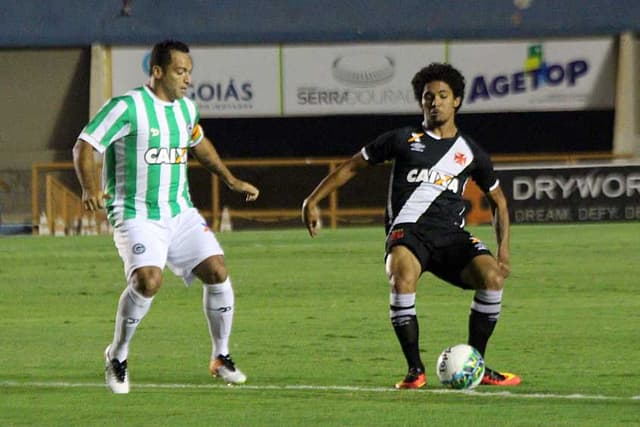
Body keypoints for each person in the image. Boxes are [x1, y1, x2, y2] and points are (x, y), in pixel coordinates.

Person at [302, 62, 521, 389]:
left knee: (491, 278)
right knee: (401, 276)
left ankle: (477, 364)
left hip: (451, 237)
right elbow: (352, 166)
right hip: (408, 233)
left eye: (442, 96)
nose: (434, 102)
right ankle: (414, 370)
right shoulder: (403, 139)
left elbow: (499, 202)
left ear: (456, 101)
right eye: (427, 97)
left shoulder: (470, 152)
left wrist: (503, 252)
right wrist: (313, 200)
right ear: (421, 102)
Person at [72, 40, 260, 394]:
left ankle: (221, 356)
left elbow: (199, 143)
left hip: (180, 211)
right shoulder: (128, 107)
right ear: (157, 71)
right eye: (180, 71)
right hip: (135, 212)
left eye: (189, 71)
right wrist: (89, 187)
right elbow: (85, 144)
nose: (187, 78)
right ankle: (118, 355)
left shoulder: (186, 110)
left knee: (217, 270)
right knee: (148, 281)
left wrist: (230, 179)